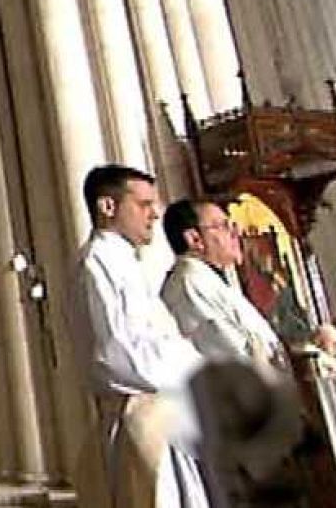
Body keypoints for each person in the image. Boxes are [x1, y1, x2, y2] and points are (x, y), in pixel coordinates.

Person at [72, 165, 208, 508]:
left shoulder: (126, 262)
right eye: (144, 204)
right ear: (108, 207)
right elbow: (117, 355)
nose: (156, 213)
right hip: (142, 420)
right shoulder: (96, 263)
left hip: (166, 416)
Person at [160, 200, 287, 371]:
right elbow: (232, 355)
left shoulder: (209, 278)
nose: (235, 232)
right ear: (194, 239)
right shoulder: (190, 283)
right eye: (224, 226)